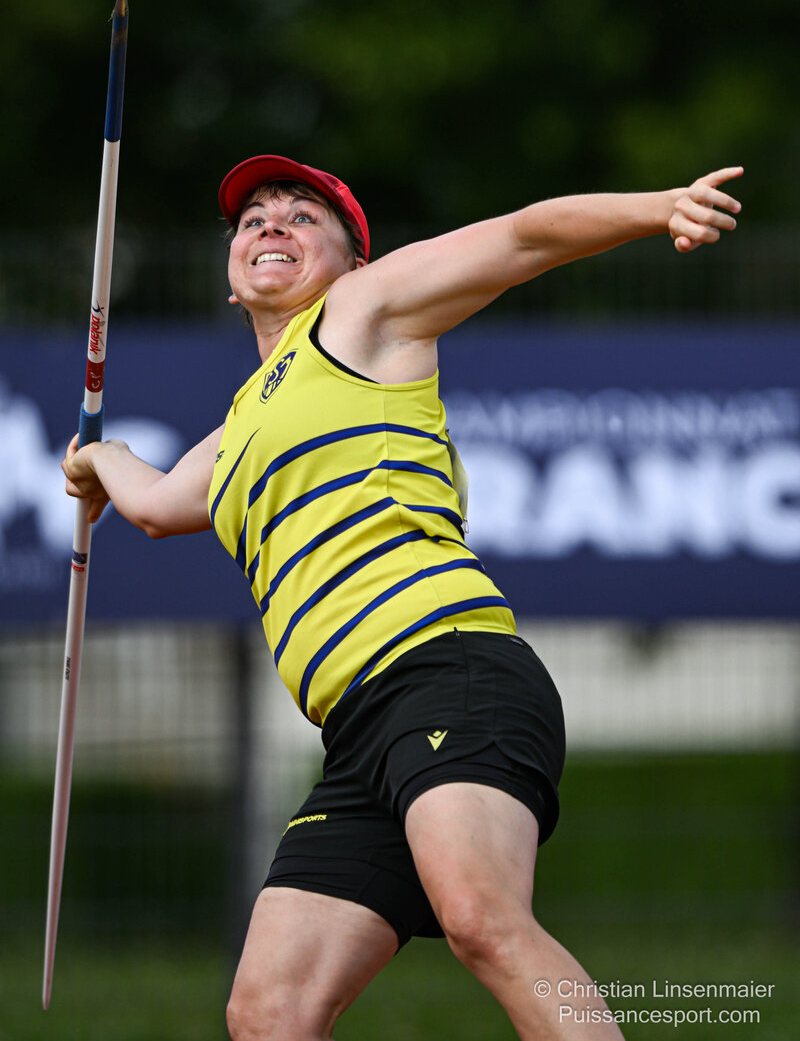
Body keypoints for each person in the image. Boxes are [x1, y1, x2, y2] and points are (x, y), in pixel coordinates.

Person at [63, 155, 743, 1041]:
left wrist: (660, 207)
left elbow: (523, 238)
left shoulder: (362, 311)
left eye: (302, 216)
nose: (270, 225)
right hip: (356, 734)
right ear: (232, 279)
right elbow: (158, 506)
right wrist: (99, 458)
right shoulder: (240, 427)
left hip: (446, 673)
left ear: (353, 260)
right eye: (253, 218)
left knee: (484, 923)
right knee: (268, 1011)